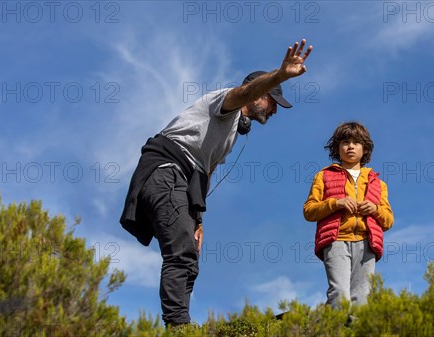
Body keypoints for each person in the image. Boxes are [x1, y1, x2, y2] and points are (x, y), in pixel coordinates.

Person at [120, 39, 313, 327]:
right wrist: (280, 74)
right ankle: (179, 328)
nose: (275, 110)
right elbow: (244, 92)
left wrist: (198, 219)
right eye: (273, 101)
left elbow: (205, 172)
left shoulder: (231, 134)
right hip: (164, 170)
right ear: (258, 94)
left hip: (181, 181)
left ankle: (179, 324)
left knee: (190, 261)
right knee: (180, 252)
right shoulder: (225, 102)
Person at [303, 121, 394, 309]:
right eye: (345, 142)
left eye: (356, 142)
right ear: (337, 147)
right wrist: (336, 203)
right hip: (335, 240)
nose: (350, 146)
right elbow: (309, 211)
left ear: (365, 148)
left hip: (367, 243)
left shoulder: (378, 183)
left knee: (362, 299)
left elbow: (388, 220)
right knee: (339, 295)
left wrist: (375, 209)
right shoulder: (324, 176)